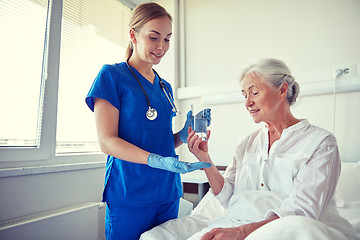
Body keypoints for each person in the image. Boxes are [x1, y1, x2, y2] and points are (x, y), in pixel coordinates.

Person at [185, 58, 358, 240]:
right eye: (245, 95)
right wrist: (205, 158)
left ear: (282, 90)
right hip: (241, 222)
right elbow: (228, 198)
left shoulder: (321, 143)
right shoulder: (246, 144)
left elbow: (301, 212)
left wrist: (241, 233)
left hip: (296, 229)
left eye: (255, 93)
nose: (248, 103)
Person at [85, 3, 211, 240]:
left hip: (167, 193)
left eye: (167, 38)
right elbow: (107, 142)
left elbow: (161, 142)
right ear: (133, 35)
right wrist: (156, 161)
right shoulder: (112, 76)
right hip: (130, 193)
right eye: (154, 37)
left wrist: (183, 135)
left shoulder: (165, 88)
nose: (162, 47)